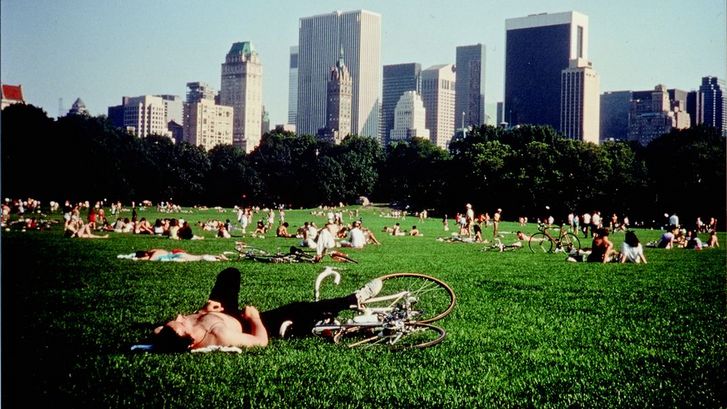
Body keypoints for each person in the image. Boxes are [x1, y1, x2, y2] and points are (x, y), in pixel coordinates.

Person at [149, 268, 383, 351]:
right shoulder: (220, 335)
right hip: (246, 322)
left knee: (230, 274)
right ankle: (353, 299)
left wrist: (203, 309)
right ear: (189, 338)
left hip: (222, 311)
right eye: (181, 323)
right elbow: (260, 342)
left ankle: (218, 302)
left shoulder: (166, 333)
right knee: (300, 308)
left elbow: (161, 331)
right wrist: (254, 318)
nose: (180, 317)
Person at [123, 248, 228, 262]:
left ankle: (218, 258)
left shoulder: (152, 256)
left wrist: (135, 257)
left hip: (176, 256)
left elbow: (148, 259)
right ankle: (217, 257)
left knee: (198, 258)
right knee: (197, 257)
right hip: (176, 253)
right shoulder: (156, 251)